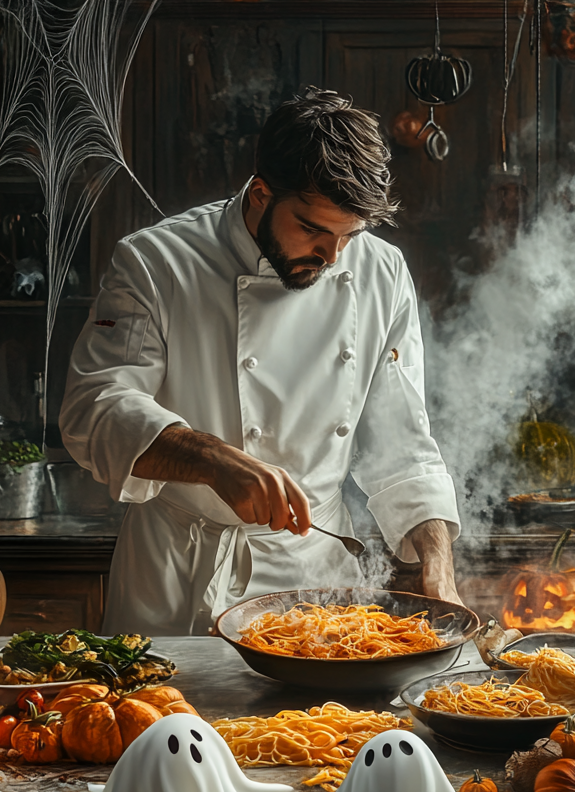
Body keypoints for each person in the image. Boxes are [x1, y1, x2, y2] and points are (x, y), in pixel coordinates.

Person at [60, 87, 461, 636]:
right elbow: (95, 410)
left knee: (313, 725)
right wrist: (213, 460)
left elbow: (403, 444)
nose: (332, 256)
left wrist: (438, 570)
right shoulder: (157, 262)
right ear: (260, 192)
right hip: (181, 572)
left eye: (350, 234)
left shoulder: (382, 272)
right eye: (313, 229)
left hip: (316, 573)